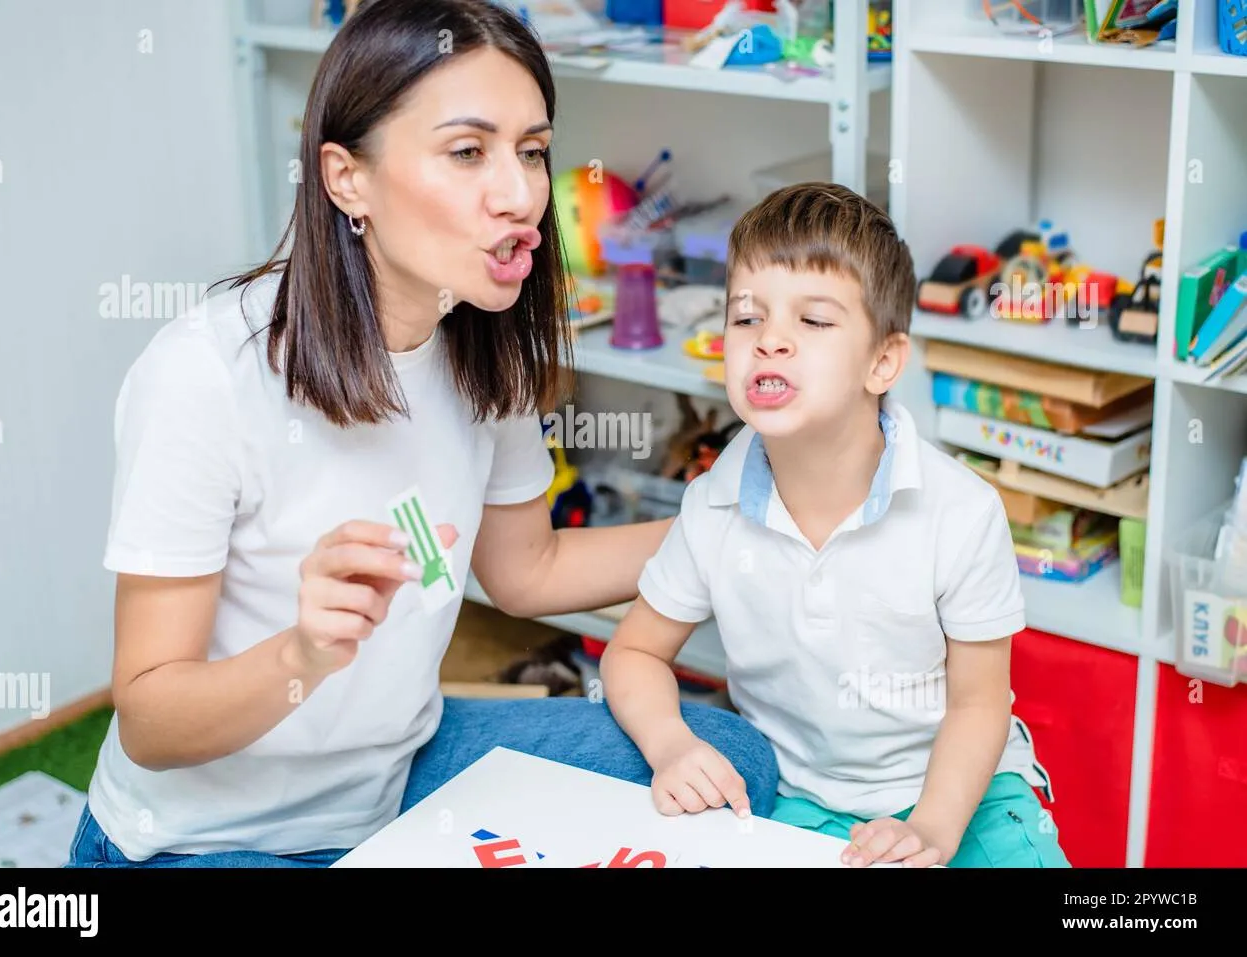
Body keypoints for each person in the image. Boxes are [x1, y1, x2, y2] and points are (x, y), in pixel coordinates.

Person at [66, 0, 776, 869]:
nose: (521, 195)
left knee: (730, 761)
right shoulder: (205, 374)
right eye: (467, 151)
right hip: (202, 840)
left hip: (394, 778)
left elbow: (526, 570)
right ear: (345, 178)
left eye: (532, 150)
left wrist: (744, 524)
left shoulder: (486, 343)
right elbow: (149, 720)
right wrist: (303, 651)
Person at [599, 183, 1071, 868]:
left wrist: (934, 830)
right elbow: (634, 652)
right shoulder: (713, 505)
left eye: (813, 321)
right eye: (745, 318)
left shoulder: (961, 510)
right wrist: (671, 743)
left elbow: (978, 703)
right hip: (798, 799)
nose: (770, 341)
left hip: (964, 791)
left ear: (882, 362)